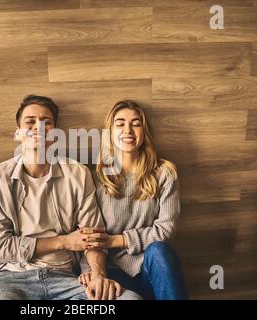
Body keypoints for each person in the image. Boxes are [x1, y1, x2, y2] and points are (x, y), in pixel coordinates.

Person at [0, 95, 142, 300]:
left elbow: (93, 237)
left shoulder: (78, 174)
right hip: (10, 278)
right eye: (30, 121)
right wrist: (64, 241)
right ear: (17, 132)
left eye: (46, 122)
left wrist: (98, 275)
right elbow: (1, 247)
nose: (38, 127)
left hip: (66, 279)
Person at [78, 100, 189, 300]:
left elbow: (166, 231)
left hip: (152, 268)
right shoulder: (95, 177)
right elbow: (90, 234)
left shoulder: (164, 172)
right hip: (112, 272)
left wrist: (117, 240)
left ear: (144, 131)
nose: (128, 130)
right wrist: (90, 270)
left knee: (159, 251)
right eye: (120, 124)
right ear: (109, 132)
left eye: (135, 123)